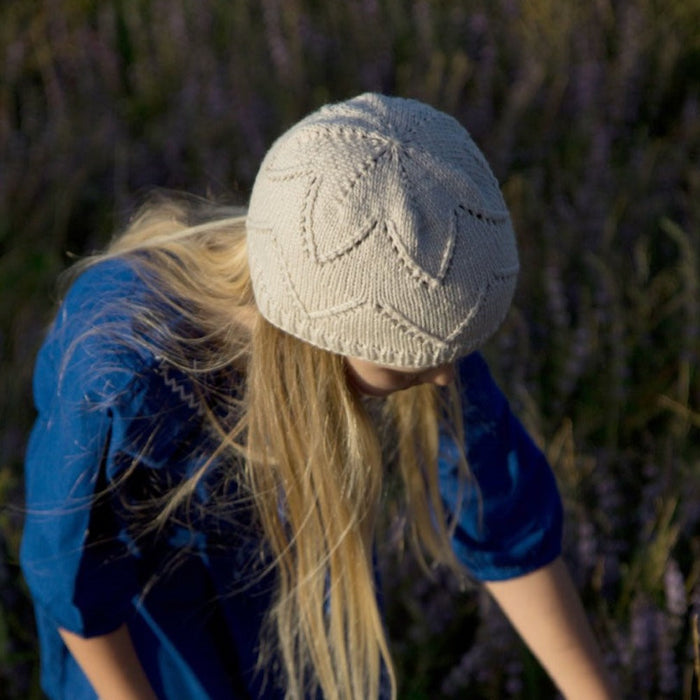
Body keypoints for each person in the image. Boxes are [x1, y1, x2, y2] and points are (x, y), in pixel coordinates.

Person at [20, 93, 616, 699]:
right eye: (415, 361)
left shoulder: (417, 312)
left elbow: (500, 511)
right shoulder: (122, 375)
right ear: (320, 340)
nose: (443, 376)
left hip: (299, 617)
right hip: (154, 646)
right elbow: (74, 581)